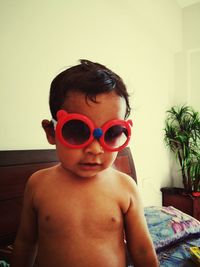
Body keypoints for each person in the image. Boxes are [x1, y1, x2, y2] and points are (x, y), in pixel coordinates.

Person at [11, 60, 158, 267]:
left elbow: (142, 249)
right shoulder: (38, 184)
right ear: (51, 132)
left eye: (112, 132)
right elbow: (26, 242)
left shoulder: (125, 188)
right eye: (77, 131)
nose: (95, 149)